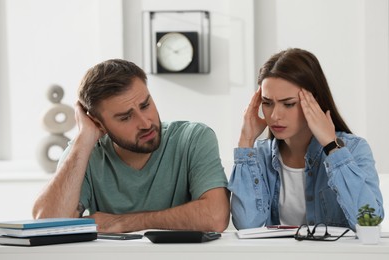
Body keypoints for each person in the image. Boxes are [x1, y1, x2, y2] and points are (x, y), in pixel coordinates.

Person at [32, 59, 230, 233]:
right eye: (126, 117)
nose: (145, 123)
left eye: (145, 105)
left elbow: (215, 217)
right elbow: (47, 223)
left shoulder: (193, 138)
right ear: (99, 124)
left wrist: (121, 222)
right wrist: (84, 138)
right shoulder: (83, 153)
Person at [228, 48, 384, 231]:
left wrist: (332, 146)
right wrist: (245, 141)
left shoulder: (354, 149)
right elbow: (247, 225)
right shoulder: (259, 156)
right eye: (267, 103)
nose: (275, 115)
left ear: (315, 101)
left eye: (288, 104)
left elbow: (370, 221)